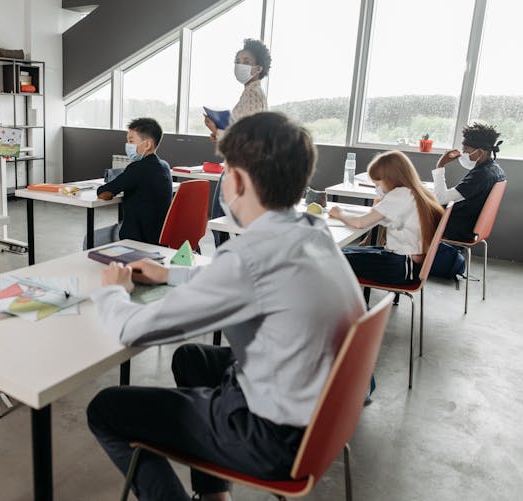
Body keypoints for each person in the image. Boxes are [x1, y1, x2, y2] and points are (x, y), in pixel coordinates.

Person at [87, 112, 366, 501]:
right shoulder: (312, 235)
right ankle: (215, 495)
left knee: (106, 409)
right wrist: (172, 276)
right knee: (192, 359)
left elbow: (132, 330)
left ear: (235, 180)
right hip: (322, 413)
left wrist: (112, 290)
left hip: (271, 437)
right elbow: (251, 285)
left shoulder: (249, 255)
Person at [329, 150, 444, 290]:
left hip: (400, 267)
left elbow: (360, 223)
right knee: (336, 254)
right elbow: (396, 222)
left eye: (378, 184)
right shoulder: (416, 192)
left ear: (389, 179)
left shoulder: (399, 195)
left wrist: (339, 213)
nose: (378, 188)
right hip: (407, 263)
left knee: (330, 260)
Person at [206, 38, 271, 247]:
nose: (240, 64)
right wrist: (219, 134)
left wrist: (217, 130)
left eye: (246, 60)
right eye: (238, 59)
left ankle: (228, 270)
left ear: (258, 68)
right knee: (226, 224)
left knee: (223, 224)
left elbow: (245, 139)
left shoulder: (253, 96)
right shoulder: (250, 94)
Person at [91, 118, 172, 246]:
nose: (128, 145)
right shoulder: (164, 166)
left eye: (131, 141)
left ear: (147, 144)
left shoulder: (138, 168)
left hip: (138, 236)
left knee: (90, 239)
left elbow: (103, 192)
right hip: (159, 235)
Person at [432, 122, 506, 242]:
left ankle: (403, 256)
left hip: (457, 227)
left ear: (480, 152)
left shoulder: (481, 174)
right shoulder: (494, 169)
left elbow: (441, 198)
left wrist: (440, 165)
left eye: (466, 150)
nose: (463, 154)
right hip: (468, 224)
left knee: (416, 209)